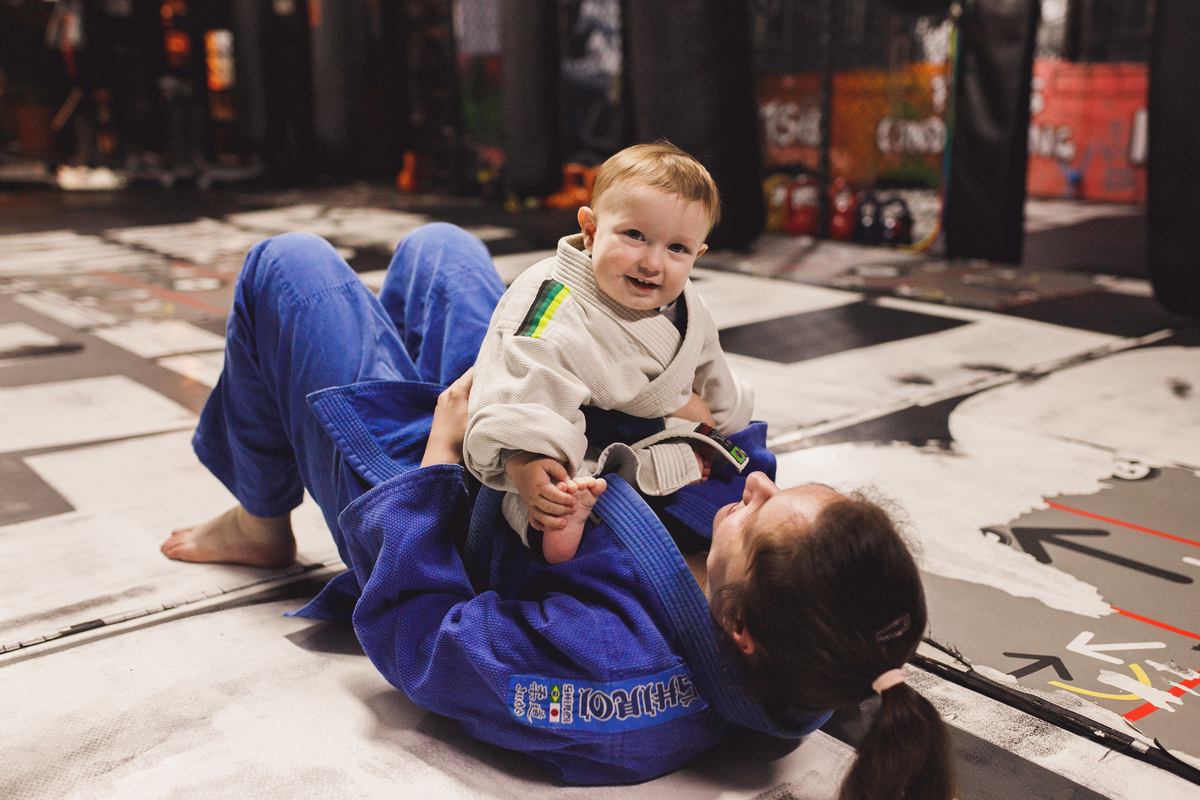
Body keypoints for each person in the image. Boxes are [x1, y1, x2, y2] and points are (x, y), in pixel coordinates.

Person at [161, 222, 953, 797]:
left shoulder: (611, 681)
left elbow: (426, 639)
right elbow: (747, 472)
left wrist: (439, 452)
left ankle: (261, 521)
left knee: (288, 266)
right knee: (442, 251)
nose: (756, 488)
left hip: (438, 508)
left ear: (738, 626)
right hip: (532, 438)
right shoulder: (820, 644)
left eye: (759, 517)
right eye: (781, 493)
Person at [465, 141, 754, 564]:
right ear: (591, 229)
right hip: (566, 434)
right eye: (635, 235)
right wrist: (527, 463)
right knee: (547, 489)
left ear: (698, 254)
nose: (653, 263)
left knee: (741, 460)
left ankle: (586, 510)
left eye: (678, 248)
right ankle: (560, 523)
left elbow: (711, 373)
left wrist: (719, 424)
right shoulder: (552, 305)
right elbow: (527, 381)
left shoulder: (689, 306)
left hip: (637, 436)